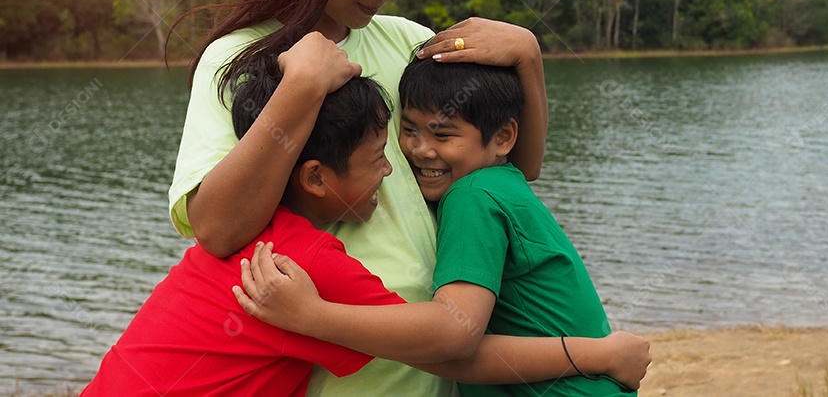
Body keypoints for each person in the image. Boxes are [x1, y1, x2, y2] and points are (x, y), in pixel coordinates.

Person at [168, 0, 560, 396]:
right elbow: (217, 228)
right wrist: (300, 88)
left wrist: (528, 58)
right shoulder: (238, 58)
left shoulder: (411, 44)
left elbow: (515, 164)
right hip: (333, 373)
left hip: (434, 360)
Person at [90, 53, 646, 395]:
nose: (394, 169)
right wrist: (599, 353)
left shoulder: (243, 236)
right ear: (314, 177)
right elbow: (450, 341)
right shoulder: (300, 267)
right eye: (381, 156)